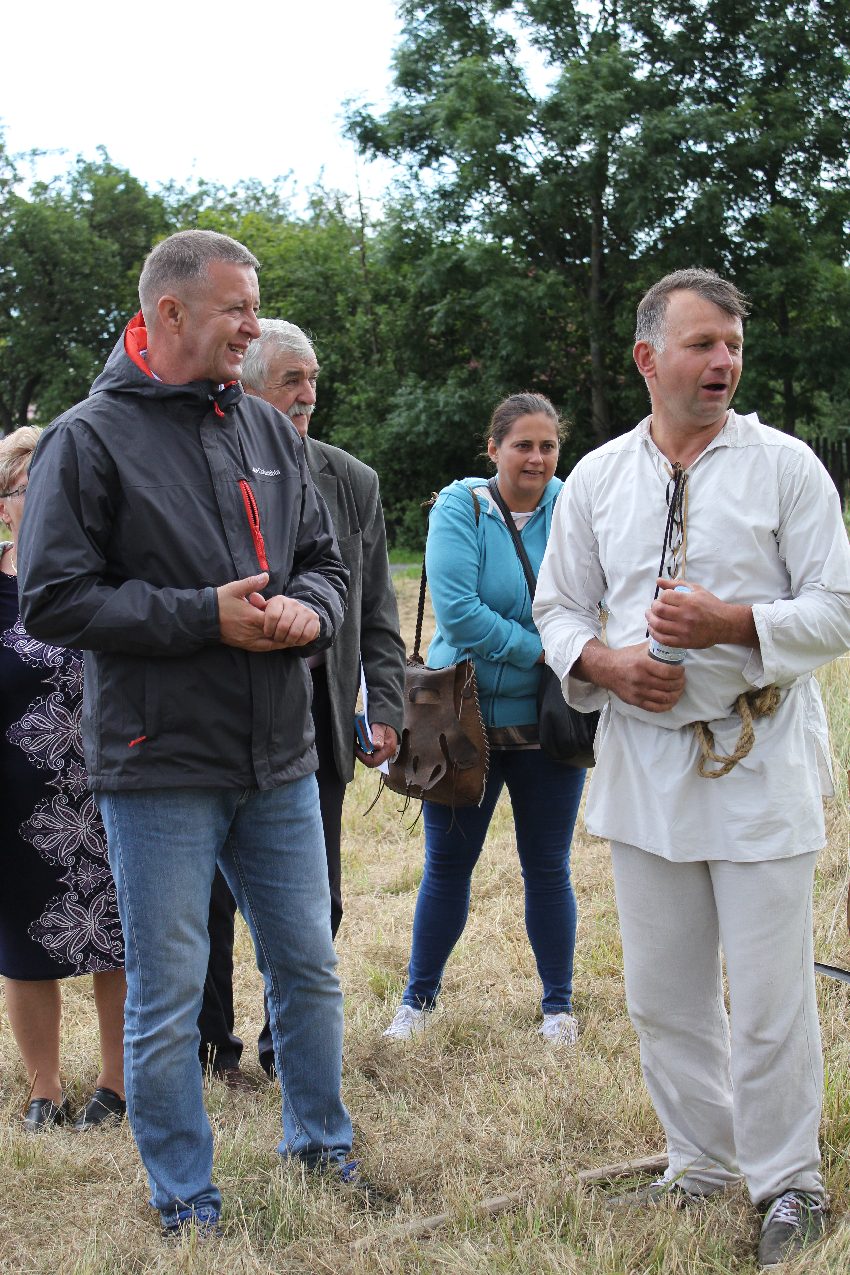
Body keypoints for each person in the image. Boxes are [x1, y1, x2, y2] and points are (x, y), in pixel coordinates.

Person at [16, 230, 362, 1238]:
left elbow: (326, 562)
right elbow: (53, 599)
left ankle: (321, 1144)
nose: (253, 327)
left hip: (280, 757)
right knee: (168, 993)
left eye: (255, 308)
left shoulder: (265, 429)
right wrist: (201, 617)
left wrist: (310, 612)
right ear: (169, 313)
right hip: (157, 764)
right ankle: (184, 1197)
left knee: (308, 967)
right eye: (236, 309)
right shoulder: (87, 439)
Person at [533, 268, 850, 1269]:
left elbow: (838, 609)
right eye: (703, 343)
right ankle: (701, 1160)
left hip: (758, 759)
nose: (724, 362)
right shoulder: (596, 477)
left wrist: (733, 623)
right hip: (641, 762)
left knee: (768, 996)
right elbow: (557, 609)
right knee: (663, 992)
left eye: (733, 346)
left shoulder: (785, 467)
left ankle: (789, 1181)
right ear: (647, 357)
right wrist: (604, 664)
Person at [198, 319, 406, 1083]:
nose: (308, 394)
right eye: (292, 379)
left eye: (313, 378)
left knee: (317, 896)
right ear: (248, 386)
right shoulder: (203, 467)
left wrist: (386, 705)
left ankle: (288, 1045)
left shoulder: (350, 480)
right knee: (210, 900)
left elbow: (377, 609)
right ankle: (208, 1048)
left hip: (317, 716)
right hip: (218, 712)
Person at [382, 393, 586, 1045]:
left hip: (549, 725)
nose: (536, 458)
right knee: (447, 866)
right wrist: (544, 649)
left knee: (548, 867)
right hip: (457, 722)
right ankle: (417, 1002)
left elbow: (590, 599)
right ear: (493, 449)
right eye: (523, 445)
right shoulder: (460, 507)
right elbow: (460, 613)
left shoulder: (575, 507)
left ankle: (558, 1008)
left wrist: (563, 642)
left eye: (548, 446)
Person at [0, 427, 127, 1132]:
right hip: (17, 797)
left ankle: (117, 1083)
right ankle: (43, 1091)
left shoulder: (101, 570)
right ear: (5, 506)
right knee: (24, 950)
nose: (47, 498)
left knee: (119, 939)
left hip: (111, 785)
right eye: (29, 488)